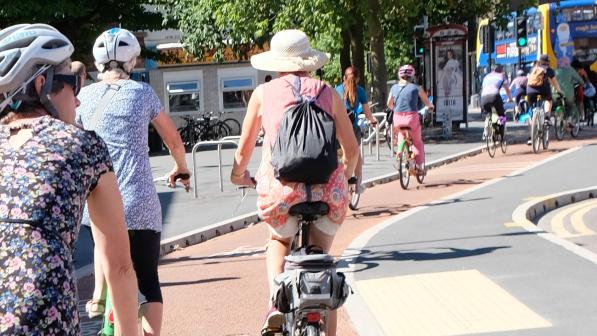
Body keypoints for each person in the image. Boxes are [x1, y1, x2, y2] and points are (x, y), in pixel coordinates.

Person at [0, 23, 139, 335]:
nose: (77, 100)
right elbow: (118, 266)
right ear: (41, 85)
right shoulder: (82, 145)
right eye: (72, 85)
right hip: (42, 321)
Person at [229, 29, 358, 335]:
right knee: (324, 263)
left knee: (278, 240)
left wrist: (238, 176)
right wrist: (346, 177)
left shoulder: (264, 94)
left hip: (282, 193)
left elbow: (244, 149)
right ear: (308, 62)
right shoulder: (328, 92)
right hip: (328, 194)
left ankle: (276, 304)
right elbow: (351, 149)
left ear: (276, 64)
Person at [76, 27, 191, 335]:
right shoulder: (142, 93)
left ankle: (100, 294)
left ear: (98, 63)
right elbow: (173, 139)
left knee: (109, 255)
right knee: (148, 279)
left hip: (98, 204)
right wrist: (181, 167)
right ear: (132, 62)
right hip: (138, 199)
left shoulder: (83, 97)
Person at [335, 66, 377, 193]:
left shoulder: (336, 90)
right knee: (356, 154)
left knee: (337, 153)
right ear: (357, 79)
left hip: (336, 129)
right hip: (351, 128)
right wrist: (372, 121)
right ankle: (358, 184)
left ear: (344, 78)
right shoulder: (360, 91)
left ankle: (336, 179)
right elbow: (367, 112)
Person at [387, 64, 433, 173]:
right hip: (411, 118)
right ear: (412, 76)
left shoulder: (393, 88)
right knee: (417, 142)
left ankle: (399, 154)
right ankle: (419, 166)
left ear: (400, 76)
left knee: (401, 135)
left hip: (397, 118)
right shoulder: (416, 88)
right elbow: (427, 102)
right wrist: (430, 106)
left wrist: (397, 108)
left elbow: (389, 103)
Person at [480, 64, 513, 136]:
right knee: (502, 115)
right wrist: (510, 99)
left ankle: (488, 126)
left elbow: (482, 89)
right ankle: (501, 133)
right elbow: (507, 90)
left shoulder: (486, 77)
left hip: (483, 98)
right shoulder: (502, 76)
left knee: (490, 112)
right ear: (500, 70)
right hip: (494, 96)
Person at [555, 57, 584, 123]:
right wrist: (583, 83)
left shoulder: (556, 70)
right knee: (570, 105)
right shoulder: (570, 70)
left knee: (559, 104)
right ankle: (570, 120)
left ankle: (560, 119)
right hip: (568, 94)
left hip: (556, 94)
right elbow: (579, 80)